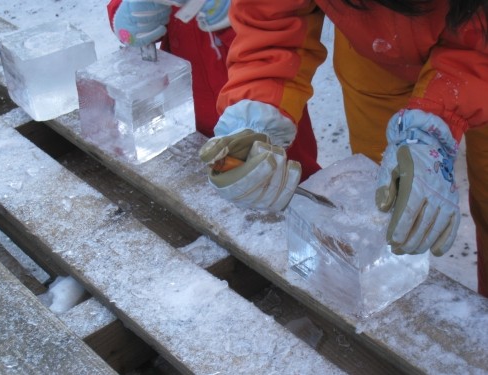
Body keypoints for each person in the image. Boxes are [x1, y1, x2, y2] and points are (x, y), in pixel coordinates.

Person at [198, 0, 488, 298]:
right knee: (382, 203)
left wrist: (437, 126)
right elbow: (272, 13)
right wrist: (259, 106)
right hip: (376, 53)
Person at [106, 0, 321, 181]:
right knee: (210, 177)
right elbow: (140, 18)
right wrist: (128, 12)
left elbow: (277, 39)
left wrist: (236, 15)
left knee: (278, 176)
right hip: (187, 111)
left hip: (264, 106)